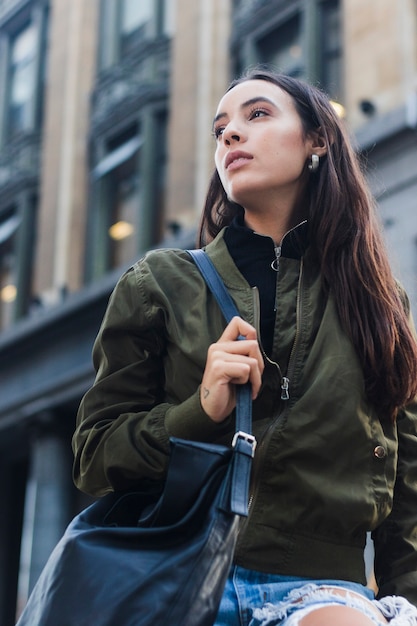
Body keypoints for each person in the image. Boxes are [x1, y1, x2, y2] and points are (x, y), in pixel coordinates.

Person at [73, 68, 417, 625]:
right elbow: (94, 457)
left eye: (257, 115)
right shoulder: (159, 283)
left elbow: (408, 491)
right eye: (220, 129)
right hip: (178, 579)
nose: (231, 135)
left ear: (317, 140)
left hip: (324, 590)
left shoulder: (378, 300)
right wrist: (197, 411)